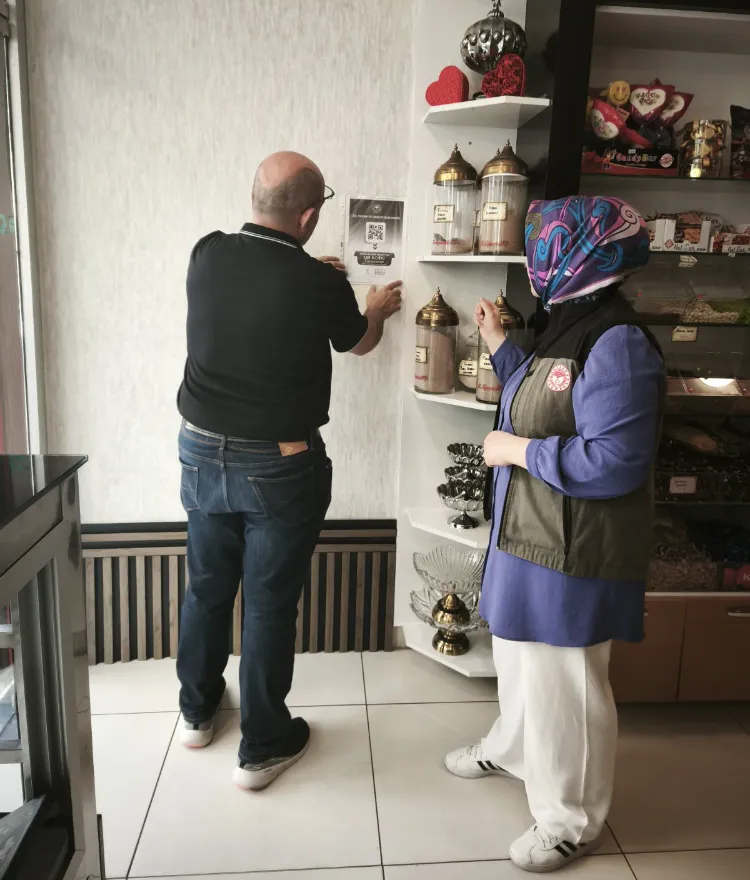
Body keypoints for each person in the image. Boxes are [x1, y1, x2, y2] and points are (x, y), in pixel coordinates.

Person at [445, 195, 664, 872]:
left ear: (583, 254)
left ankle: (572, 821)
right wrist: (498, 345)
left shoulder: (618, 340)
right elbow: (544, 396)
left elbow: (616, 460)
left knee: (565, 685)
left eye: (548, 242)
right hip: (530, 535)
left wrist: (517, 452)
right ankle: (513, 748)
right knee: (518, 660)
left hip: (572, 549)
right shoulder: (567, 322)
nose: (536, 255)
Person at [175, 151, 401, 790]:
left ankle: (196, 713)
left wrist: (310, 272)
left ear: (256, 198)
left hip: (199, 449)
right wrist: (375, 309)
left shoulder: (206, 253)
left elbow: (260, 289)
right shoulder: (319, 285)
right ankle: (263, 746)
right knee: (269, 603)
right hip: (278, 464)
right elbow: (358, 341)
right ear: (307, 216)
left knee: (207, 585)